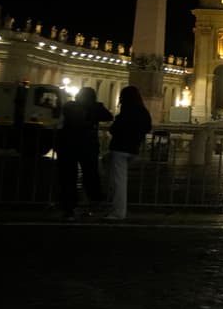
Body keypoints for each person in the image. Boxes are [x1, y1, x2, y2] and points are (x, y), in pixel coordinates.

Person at [55, 86, 113, 218]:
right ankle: (93, 202)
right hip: (87, 145)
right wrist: (96, 105)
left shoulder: (69, 106)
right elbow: (108, 116)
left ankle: (68, 206)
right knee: (90, 174)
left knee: (68, 176)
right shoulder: (94, 108)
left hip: (67, 145)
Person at [105, 85, 152, 220]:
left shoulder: (126, 111)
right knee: (112, 171)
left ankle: (118, 212)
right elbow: (147, 127)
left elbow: (114, 129)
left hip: (120, 148)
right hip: (134, 148)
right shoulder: (143, 111)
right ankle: (111, 205)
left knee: (119, 181)